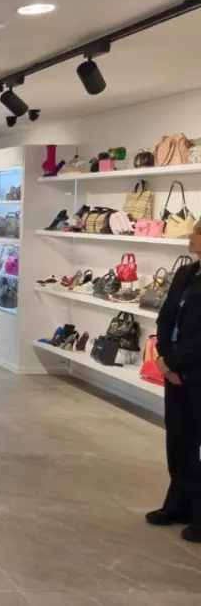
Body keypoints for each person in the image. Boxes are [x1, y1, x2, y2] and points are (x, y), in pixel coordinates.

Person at [150, 222, 201, 544]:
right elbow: (166, 316)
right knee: (179, 441)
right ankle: (179, 504)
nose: (190, 237)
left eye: (197, 232)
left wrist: (175, 362)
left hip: (194, 370)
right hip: (177, 371)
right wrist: (165, 358)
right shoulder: (186, 274)